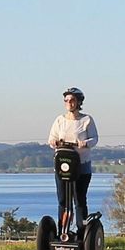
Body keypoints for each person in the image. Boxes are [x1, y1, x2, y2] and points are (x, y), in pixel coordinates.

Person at [47, 87, 99, 237]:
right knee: (63, 201)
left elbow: (95, 139)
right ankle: (61, 232)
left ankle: (82, 233)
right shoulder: (59, 120)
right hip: (63, 166)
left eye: (72, 100)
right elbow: (51, 139)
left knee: (79, 201)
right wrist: (55, 142)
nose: (69, 103)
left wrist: (85, 143)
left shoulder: (86, 120)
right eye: (66, 100)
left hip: (81, 167)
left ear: (78, 102)